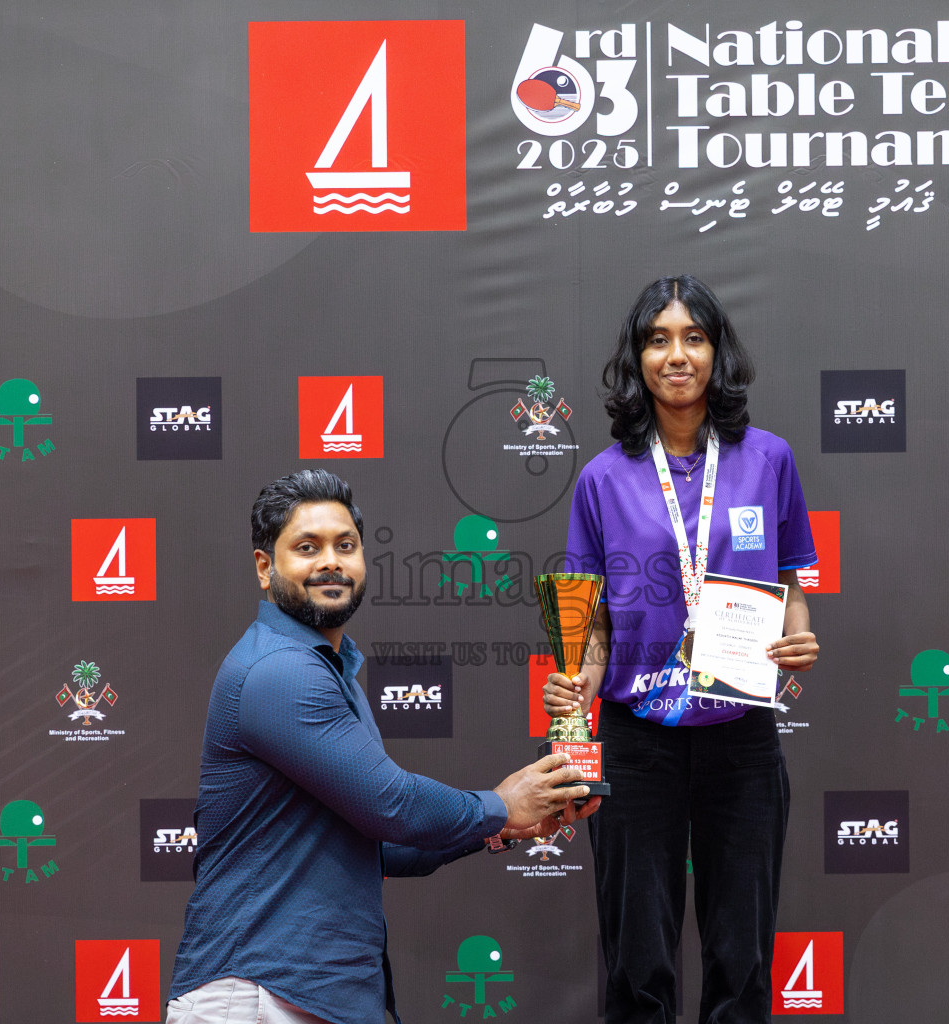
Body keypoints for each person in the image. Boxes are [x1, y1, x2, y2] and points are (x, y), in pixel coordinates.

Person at [169, 469, 599, 1024]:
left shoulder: (331, 669)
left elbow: (379, 844)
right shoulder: (280, 671)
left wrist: (505, 825)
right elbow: (391, 805)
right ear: (264, 567)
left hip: (316, 993)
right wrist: (501, 804)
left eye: (345, 545)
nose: (331, 562)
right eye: (307, 547)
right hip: (257, 994)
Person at [543, 276, 821, 1024]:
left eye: (693, 338)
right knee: (637, 961)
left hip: (741, 734)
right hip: (638, 741)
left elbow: (791, 582)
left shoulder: (770, 459)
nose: (676, 355)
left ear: (716, 352)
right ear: (636, 359)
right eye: (658, 339)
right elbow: (591, 617)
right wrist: (580, 679)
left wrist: (797, 634)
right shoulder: (602, 479)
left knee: (743, 959)